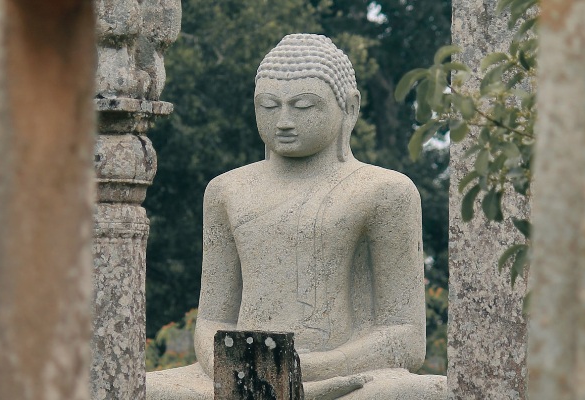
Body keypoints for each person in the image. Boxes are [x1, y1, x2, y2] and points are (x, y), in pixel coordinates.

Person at [146, 33, 446, 400]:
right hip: (237, 378)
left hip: (348, 378)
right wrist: (242, 369)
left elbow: (404, 336)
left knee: (420, 393)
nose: (284, 121)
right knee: (141, 389)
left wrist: (305, 369)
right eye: (269, 106)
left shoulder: (384, 191)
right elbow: (213, 320)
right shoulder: (226, 190)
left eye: (303, 106)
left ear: (349, 108)